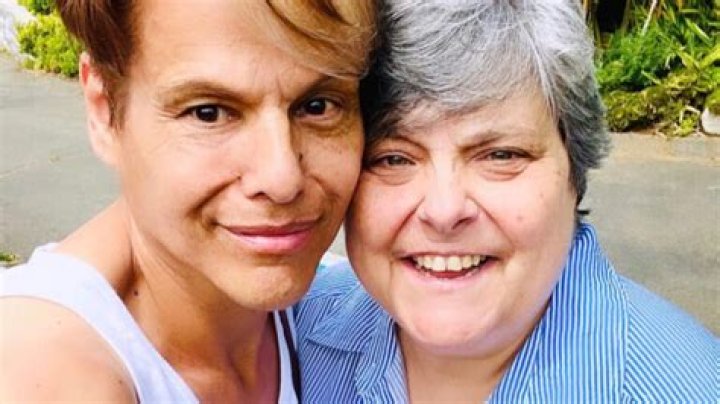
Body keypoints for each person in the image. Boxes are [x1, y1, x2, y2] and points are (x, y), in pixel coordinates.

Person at [295, 1, 717, 402]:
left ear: (575, 167)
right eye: (393, 159)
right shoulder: (293, 337)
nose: (444, 211)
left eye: (500, 156)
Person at [0, 0, 375, 402]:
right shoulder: (42, 368)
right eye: (208, 113)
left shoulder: (326, 305)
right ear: (104, 109)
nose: (282, 180)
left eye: (318, 106)